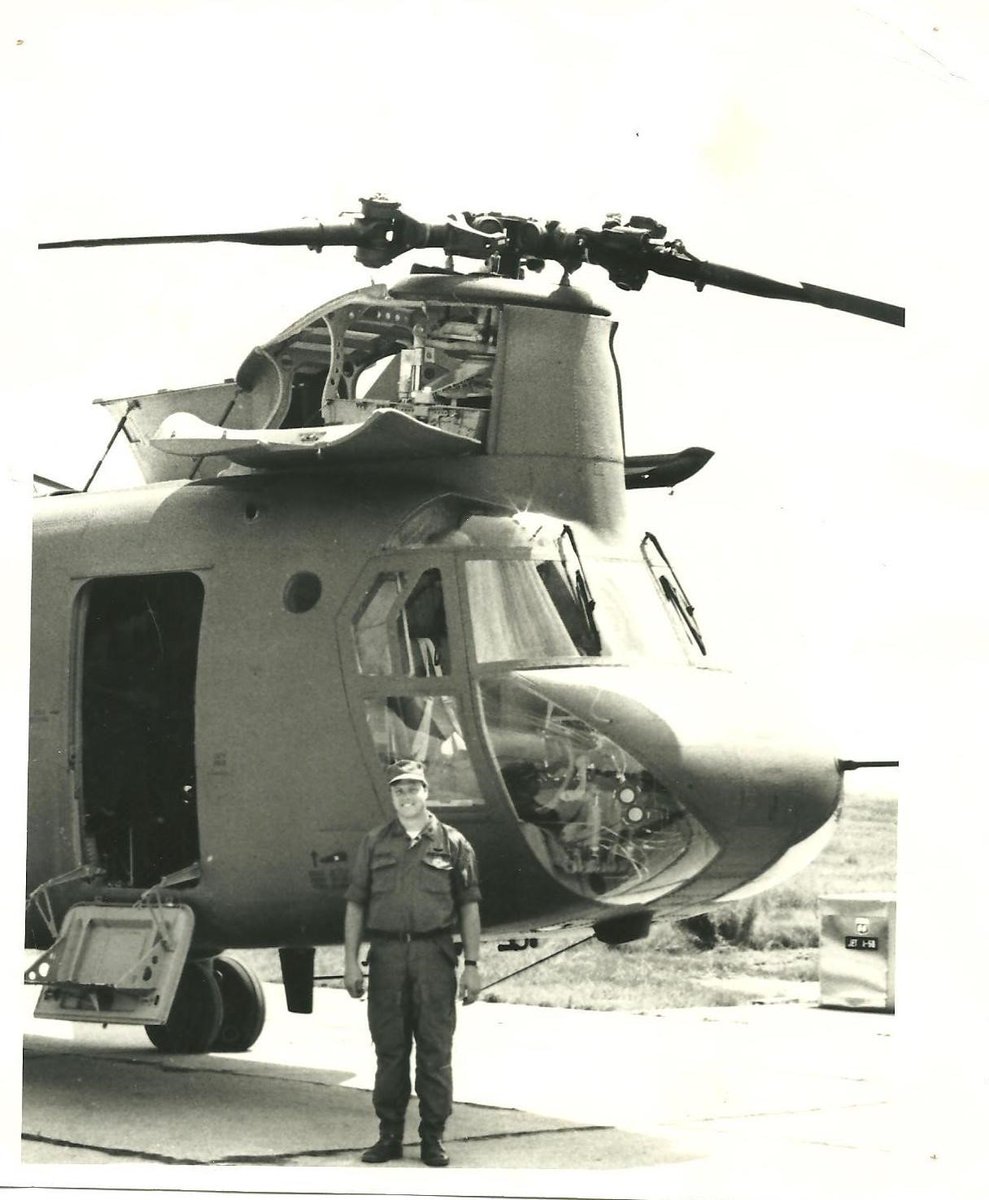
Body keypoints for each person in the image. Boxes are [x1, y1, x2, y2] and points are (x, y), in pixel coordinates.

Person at [344, 759, 482, 1167]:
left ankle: (433, 1138)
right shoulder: (374, 843)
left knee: (435, 1051)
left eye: (412, 788)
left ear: (426, 791)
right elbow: (356, 903)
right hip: (386, 956)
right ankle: (388, 1135)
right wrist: (350, 962)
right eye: (398, 790)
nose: (406, 797)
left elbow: (469, 907)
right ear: (392, 796)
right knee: (390, 1049)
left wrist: (472, 964)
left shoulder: (454, 843)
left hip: (434, 955)